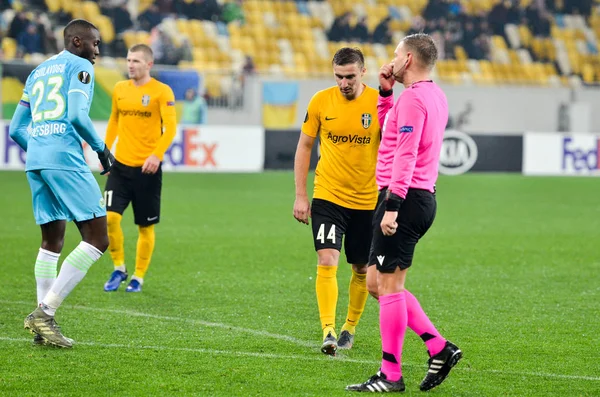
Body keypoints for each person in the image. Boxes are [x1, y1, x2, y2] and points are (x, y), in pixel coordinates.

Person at [346, 33, 462, 393]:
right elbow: (392, 134)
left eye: (396, 54)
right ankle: (439, 348)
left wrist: (391, 207)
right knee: (380, 284)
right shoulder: (432, 95)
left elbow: (405, 154)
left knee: (390, 286)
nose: (391, 60)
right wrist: (384, 95)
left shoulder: (414, 99)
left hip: (405, 198)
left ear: (408, 60)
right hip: (419, 196)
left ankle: (391, 375)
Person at [9, 19, 114, 348]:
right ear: (78, 41)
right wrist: (102, 150)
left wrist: (39, 149)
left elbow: (15, 129)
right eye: (95, 43)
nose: (98, 50)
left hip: (36, 160)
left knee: (51, 241)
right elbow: (77, 117)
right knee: (97, 238)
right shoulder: (80, 66)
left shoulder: (38, 71)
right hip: (64, 159)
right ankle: (45, 313)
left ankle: (42, 328)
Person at [293, 47, 381, 356]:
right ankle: (328, 330)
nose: (344, 83)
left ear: (363, 72)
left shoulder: (379, 103)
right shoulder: (320, 101)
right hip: (328, 196)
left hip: (368, 201)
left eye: (350, 77)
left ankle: (349, 327)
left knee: (360, 267)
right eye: (339, 77)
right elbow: (304, 146)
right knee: (327, 258)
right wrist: (301, 195)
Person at [102, 44, 177, 293]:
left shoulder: (161, 92)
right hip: (120, 167)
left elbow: (171, 128)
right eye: (128, 60)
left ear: (149, 64)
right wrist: (106, 153)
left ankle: (138, 276)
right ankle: (119, 268)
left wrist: (156, 156)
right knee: (110, 219)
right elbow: (114, 120)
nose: (130, 65)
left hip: (147, 171)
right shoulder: (119, 89)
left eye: (135, 61)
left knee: (145, 227)